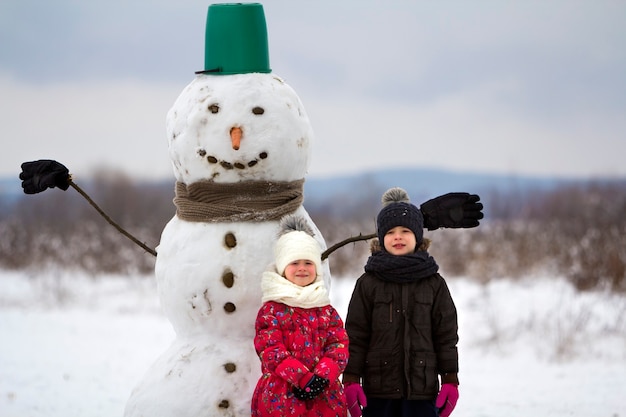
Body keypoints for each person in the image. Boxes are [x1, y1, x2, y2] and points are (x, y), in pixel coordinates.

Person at [342, 187, 460, 417]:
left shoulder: (434, 283)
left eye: (405, 230)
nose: (398, 236)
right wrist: (351, 379)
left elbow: (446, 336)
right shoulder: (368, 283)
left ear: (417, 237)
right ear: (382, 238)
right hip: (377, 393)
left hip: (422, 391)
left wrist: (450, 379)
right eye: (390, 232)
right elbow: (355, 335)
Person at [251, 214, 349, 417]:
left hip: (324, 394)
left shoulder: (326, 310)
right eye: (295, 262)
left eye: (308, 262)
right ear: (282, 267)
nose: (302, 268)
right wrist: (302, 377)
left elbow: (338, 345)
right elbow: (270, 349)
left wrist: (322, 376)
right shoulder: (271, 310)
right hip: (281, 396)